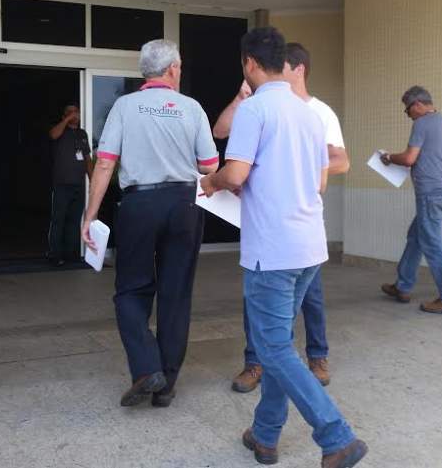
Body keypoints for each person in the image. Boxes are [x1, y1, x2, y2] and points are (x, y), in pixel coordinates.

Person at [200, 27, 367, 468]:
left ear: (249, 64)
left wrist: (210, 181)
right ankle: (266, 434)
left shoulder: (255, 110)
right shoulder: (309, 114)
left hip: (271, 249)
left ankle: (336, 436)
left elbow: (235, 175)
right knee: (280, 345)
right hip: (309, 245)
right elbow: (310, 176)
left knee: (271, 347)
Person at [81, 39, 218, 409]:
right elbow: (210, 167)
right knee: (176, 294)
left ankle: (145, 368)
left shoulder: (125, 106)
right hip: (185, 203)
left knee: (131, 290)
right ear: (173, 68)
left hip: (139, 204)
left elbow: (106, 163)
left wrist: (90, 215)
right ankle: (166, 383)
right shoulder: (192, 108)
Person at [215, 42, 350, 393]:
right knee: (273, 334)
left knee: (279, 335)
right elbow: (220, 131)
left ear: (298, 69)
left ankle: (333, 429)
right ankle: (266, 426)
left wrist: (213, 181)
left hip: (277, 240)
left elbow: (234, 175)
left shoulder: (316, 112)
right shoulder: (264, 108)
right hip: (304, 237)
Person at [379, 85, 442, 315]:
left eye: (408, 110)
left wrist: (388, 158)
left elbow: (409, 158)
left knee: (433, 244)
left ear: (417, 104)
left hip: (430, 194)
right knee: (416, 236)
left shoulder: (422, 123)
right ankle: (402, 286)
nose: (408, 115)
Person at [47, 105, 92, 266]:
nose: (75, 114)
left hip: (78, 185)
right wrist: (66, 120)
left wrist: (92, 180)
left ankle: (70, 254)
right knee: (58, 220)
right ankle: (54, 255)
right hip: (61, 184)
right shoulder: (60, 131)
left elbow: (87, 159)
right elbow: (53, 135)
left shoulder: (82, 134)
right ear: (64, 115)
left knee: (74, 221)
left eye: (77, 112)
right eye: (71, 112)